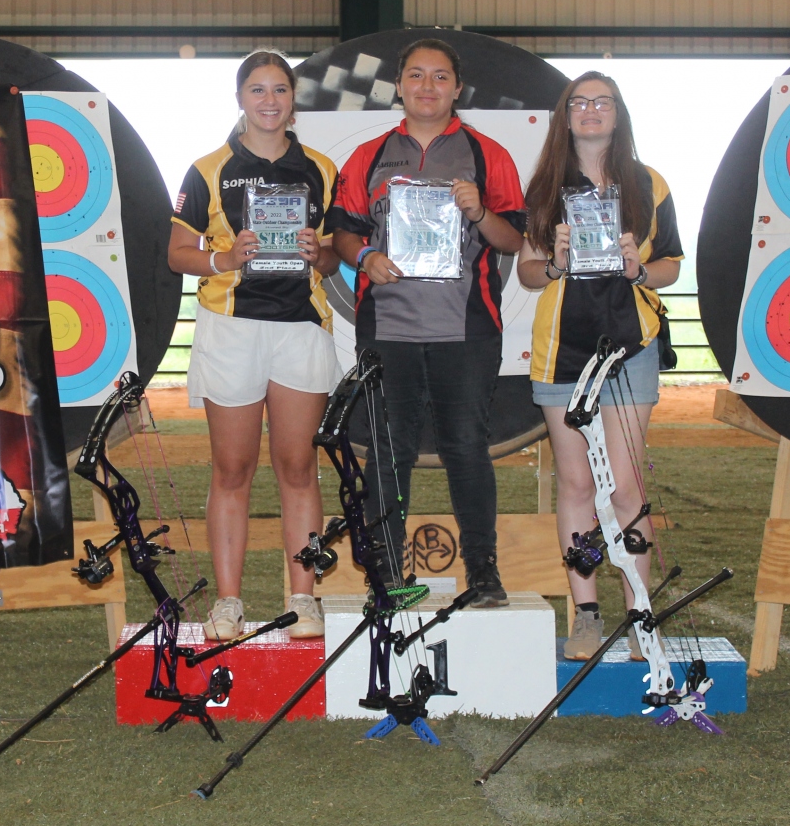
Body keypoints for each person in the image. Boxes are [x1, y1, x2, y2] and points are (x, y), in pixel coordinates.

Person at [325, 38, 526, 608]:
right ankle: (387, 577)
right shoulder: (368, 155)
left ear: (457, 88)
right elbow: (342, 232)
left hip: (467, 330)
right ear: (398, 85)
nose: (427, 86)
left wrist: (479, 211)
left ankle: (483, 573)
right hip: (387, 328)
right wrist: (366, 256)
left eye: (440, 76)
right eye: (416, 75)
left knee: (466, 448)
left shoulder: (488, 154)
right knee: (388, 453)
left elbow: (513, 239)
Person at [168, 50, 342, 641]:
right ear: (240, 98)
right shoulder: (207, 169)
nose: (270, 101)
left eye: (280, 90)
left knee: (298, 467)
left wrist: (321, 254)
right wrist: (224, 258)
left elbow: (335, 253)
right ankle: (228, 604)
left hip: (300, 328)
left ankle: (304, 599)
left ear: (293, 100)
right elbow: (177, 253)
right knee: (232, 470)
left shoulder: (321, 168)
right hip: (232, 328)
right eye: (258, 90)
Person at [516, 70, 682, 661]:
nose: (591, 110)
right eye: (579, 102)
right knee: (578, 484)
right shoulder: (544, 186)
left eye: (602, 102)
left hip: (630, 347)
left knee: (627, 487)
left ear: (618, 113)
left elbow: (671, 266)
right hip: (562, 351)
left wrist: (639, 270)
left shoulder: (649, 183)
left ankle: (640, 616)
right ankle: (586, 615)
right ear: (566, 116)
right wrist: (555, 264)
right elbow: (527, 272)